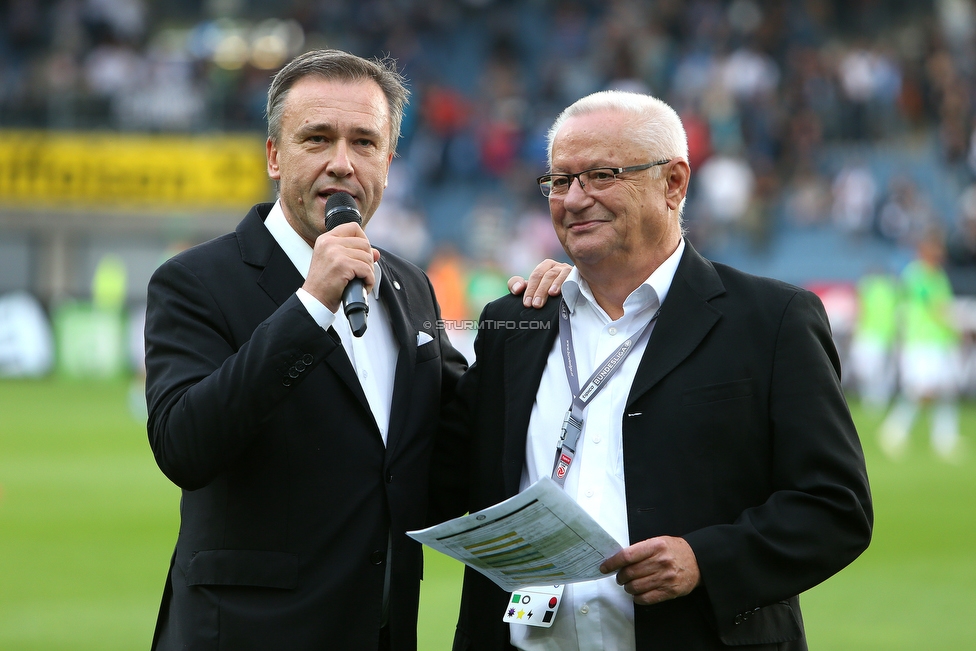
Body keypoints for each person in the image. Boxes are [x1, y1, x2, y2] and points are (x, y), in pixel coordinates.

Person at [144, 49, 565, 651]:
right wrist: (311, 303)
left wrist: (531, 322)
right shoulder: (197, 281)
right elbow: (185, 445)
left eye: (364, 143)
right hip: (247, 635)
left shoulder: (408, 285)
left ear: (389, 163)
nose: (342, 163)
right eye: (317, 138)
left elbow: (457, 446)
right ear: (273, 155)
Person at [431, 90, 873, 651]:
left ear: (674, 183)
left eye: (601, 175)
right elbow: (438, 474)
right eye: (560, 181)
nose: (574, 199)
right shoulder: (515, 324)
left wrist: (703, 561)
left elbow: (836, 508)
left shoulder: (771, 321)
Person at [879, 229, 963, 462]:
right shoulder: (916, 275)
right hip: (921, 342)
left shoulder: (937, 276)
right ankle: (894, 429)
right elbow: (937, 307)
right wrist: (958, 324)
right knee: (923, 391)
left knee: (947, 390)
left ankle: (945, 439)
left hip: (939, 341)